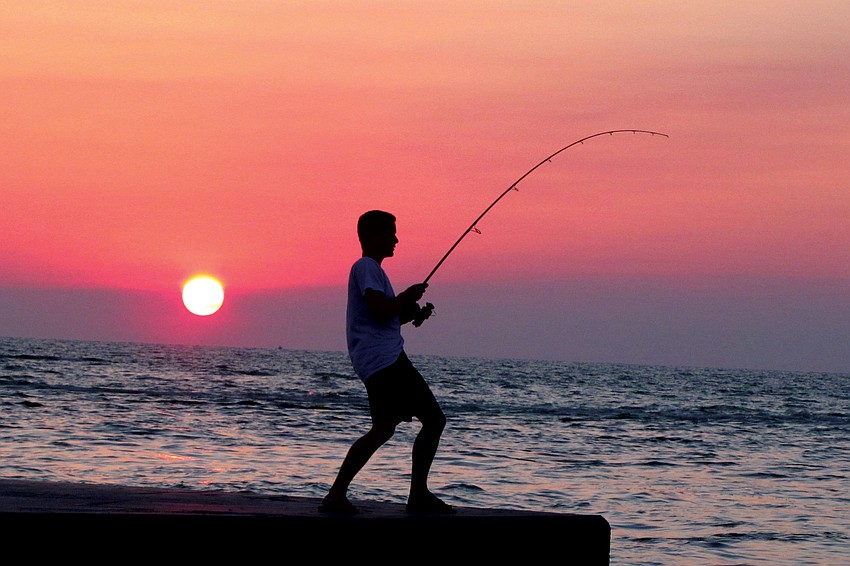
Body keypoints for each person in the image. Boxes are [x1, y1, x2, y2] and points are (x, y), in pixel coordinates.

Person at [319, 210, 453, 515]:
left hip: (378, 361)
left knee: (383, 429)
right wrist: (405, 297)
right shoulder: (366, 267)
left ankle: (336, 495)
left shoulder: (374, 272)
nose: (396, 239)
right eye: (390, 233)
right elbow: (380, 310)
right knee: (433, 420)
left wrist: (411, 312)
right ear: (372, 236)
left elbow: (386, 316)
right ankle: (417, 496)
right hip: (387, 361)